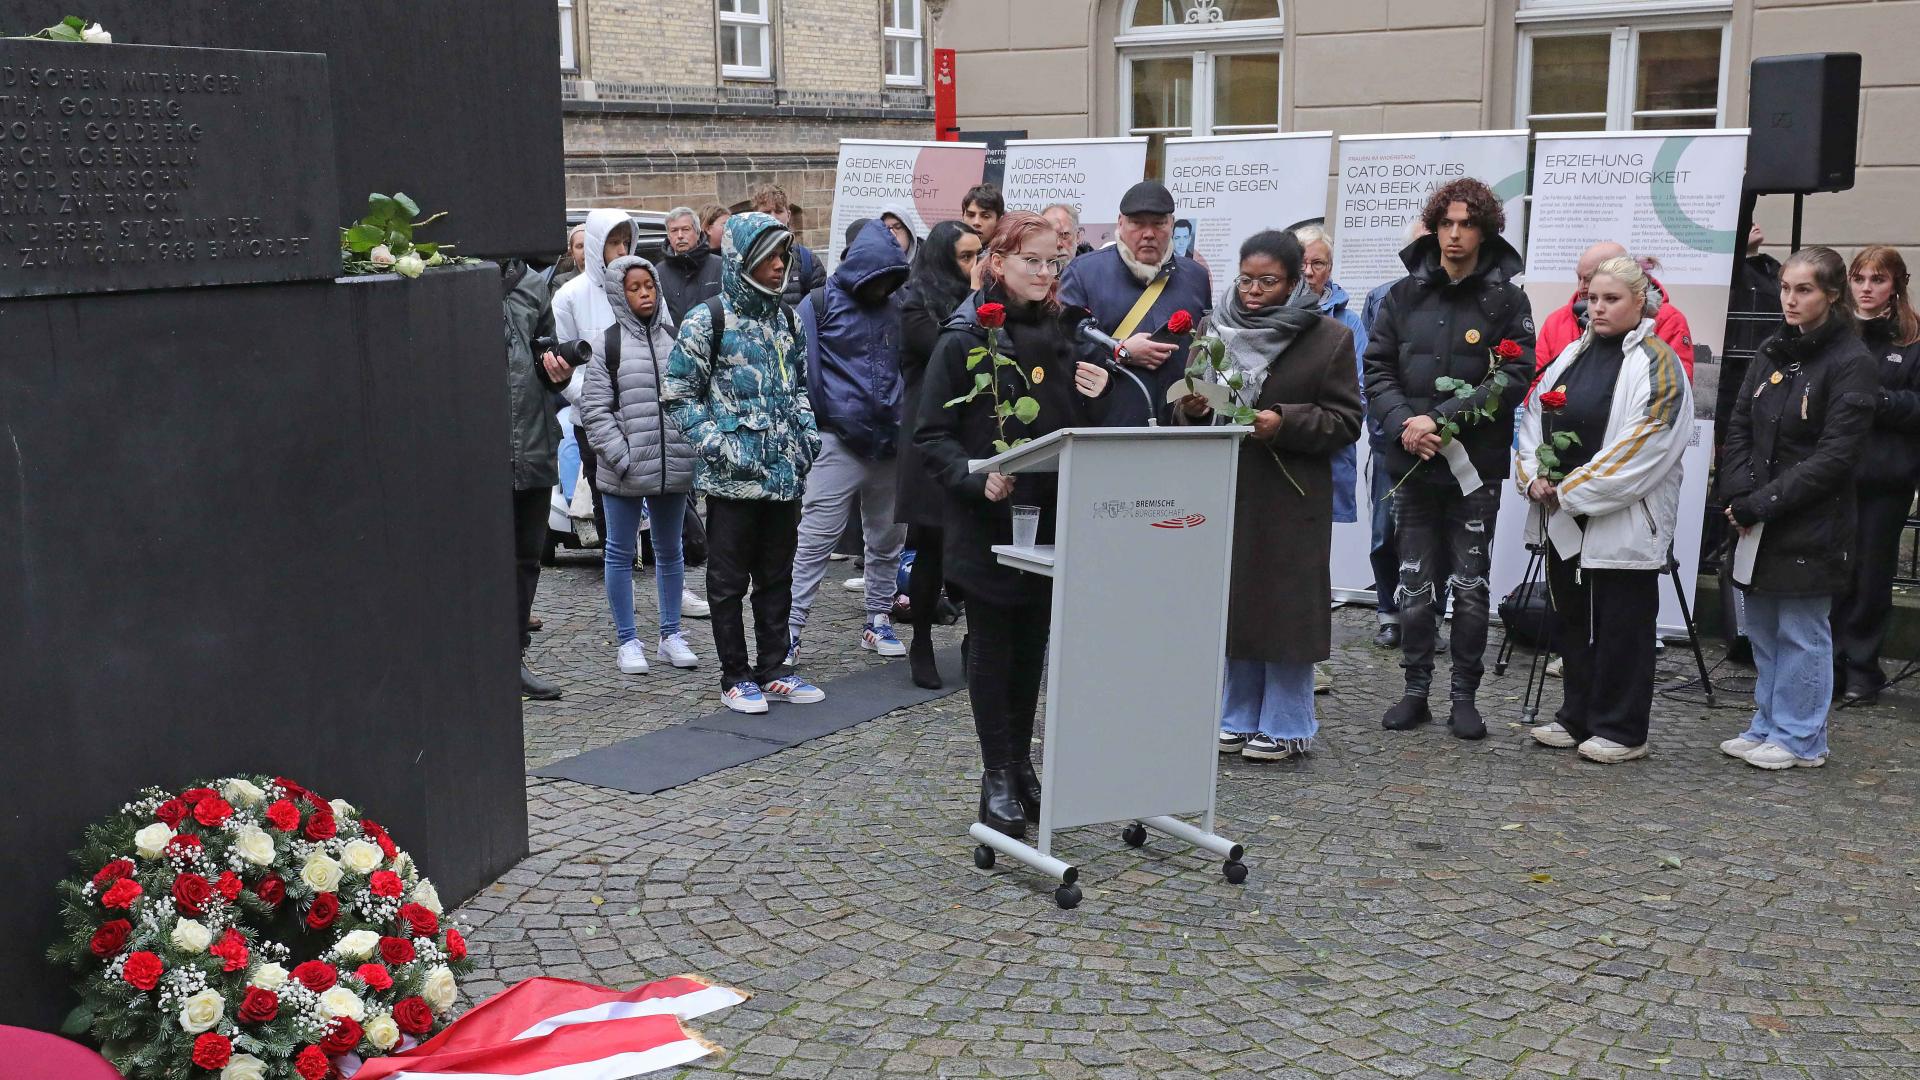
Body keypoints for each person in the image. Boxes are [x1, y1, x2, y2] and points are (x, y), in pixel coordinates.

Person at [915, 211, 1112, 839]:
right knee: (994, 644)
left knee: (1032, 644)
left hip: (1049, 514)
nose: (1045, 272)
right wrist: (975, 474)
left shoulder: (1064, 333)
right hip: (986, 518)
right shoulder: (965, 336)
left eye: (1055, 262)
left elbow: (1069, 424)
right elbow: (930, 436)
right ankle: (997, 774)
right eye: (1033, 260)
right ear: (997, 262)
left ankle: (1020, 766)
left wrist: (1097, 386)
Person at [1174, 231, 1362, 761]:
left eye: (1268, 281)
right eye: (1247, 279)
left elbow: (1347, 420)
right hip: (1228, 487)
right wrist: (1190, 406)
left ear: (1296, 279)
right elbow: (1189, 402)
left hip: (1289, 493)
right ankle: (1235, 714)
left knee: (1283, 609)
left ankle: (1286, 721)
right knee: (1233, 603)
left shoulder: (1328, 338)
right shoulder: (1214, 328)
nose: (1254, 291)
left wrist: (1282, 422)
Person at [1364, 177, 1535, 740]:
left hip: (1473, 469)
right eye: (1446, 224)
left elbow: (1514, 375)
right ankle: (1415, 692)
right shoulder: (1400, 294)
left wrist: (1442, 419)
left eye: (1467, 225)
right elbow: (1378, 369)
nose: (1455, 235)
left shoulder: (1508, 299)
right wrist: (1404, 426)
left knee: (1469, 586)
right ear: (1434, 228)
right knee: (1413, 587)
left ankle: (1465, 696)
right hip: (1411, 462)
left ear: (1484, 231)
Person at [1516, 257, 1692, 764]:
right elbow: (1533, 419)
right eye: (1592, 298)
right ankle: (1577, 715)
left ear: (1641, 302)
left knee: (1623, 624)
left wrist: (1569, 489)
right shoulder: (1570, 353)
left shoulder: (1659, 361)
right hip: (1563, 513)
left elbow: (1647, 444)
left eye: (1611, 299)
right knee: (1572, 619)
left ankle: (1622, 727)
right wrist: (1534, 478)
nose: (1597, 307)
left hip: (1622, 516)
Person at [1717, 246, 1878, 770]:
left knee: (1802, 632)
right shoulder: (1772, 349)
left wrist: (1763, 503)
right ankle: (1767, 722)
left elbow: (1835, 456)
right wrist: (1739, 495)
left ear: (1832, 296)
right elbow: (1740, 424)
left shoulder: (1851, 362)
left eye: (1803, 289)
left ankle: (1801, 737)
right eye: (1786, 287)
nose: (1790, 299)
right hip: (1759, 516)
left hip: (1811, 519)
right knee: (1761, 625)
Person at [664, 211, 827, 715]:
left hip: (783, 479)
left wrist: (806, 437)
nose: (782, 266)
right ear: (745, 260)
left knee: (777, 576)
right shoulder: (707, 319)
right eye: (771, 257)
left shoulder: (786, 320)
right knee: (729, 582)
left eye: (784, 255)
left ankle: (775, 666)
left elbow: (799, 387)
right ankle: (734, 673)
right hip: (733, 483)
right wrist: (720, 445)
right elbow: (678, 396)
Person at [788, 219, 913, 664]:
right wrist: (820, 423)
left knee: (887, 539)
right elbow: (802, 368)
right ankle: (790, 628)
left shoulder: (901, 303)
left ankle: (877, 619)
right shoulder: (819, 303)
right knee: (814, 539)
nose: (882, 287)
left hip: (890, 441)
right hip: (837, 440)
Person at [579, 255, 703, 675]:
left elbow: (692, 394)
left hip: (672, 465)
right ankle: (628, 640)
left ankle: (670, 634)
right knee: (618, 551)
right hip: (626, 469)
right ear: (620, 293)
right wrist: (622, 456)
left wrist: (690, 446)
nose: (644, 293)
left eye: (648, 285)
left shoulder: (676, 337)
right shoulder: (608, 345)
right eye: (633, 287)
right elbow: (595, 410)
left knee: (671, 552)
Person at [1830, 246, 1920, 702]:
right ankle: (1825, 666)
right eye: (1860, 278)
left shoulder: (1912, 339)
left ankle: (1862, 668)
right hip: (1832, 473)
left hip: (1884, 476)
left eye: (1877, 280)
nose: (1866, 288)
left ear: (1896, 285)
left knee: (1869, 574)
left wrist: (1878, 401)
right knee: (1830, 571)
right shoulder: (1836, 330)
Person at [896, 220, 982, 689]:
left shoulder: (985, 302)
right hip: (929, 435)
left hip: (971, 434)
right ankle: (922, 642)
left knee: (974, 542)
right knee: (929, 544)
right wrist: (974, 297)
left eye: (977, 255)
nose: (974, 265)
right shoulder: (915, 302)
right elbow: (950, 351)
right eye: (965, 257)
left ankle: (975, 638)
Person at [1059, 180, 1213, 426]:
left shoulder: (1196, 276)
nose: (1149, 233)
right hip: (1109, 424)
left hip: (1179, 429)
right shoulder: (1084, 272)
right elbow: (1065, 347)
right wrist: (1120, 351)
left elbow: (1204, 350)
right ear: (1120, 222)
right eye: (1137, 223)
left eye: (1159, 223)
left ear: (1172, 224)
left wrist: (1200, 406)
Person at [503, 259, 572, 700]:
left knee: (527, 559)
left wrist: (556, 370)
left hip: (533, 441)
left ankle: (513, 659)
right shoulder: (454, 274)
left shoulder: (531, 283)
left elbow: (543, 358)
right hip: (480, 448)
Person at [1362, 219, 1428, 650]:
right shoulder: (1382, 296)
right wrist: (1393, 424)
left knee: (1433, 536)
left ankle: (1429, 618)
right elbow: (1370, 371)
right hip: (1390, 438)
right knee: (1386, 532)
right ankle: (1389, 612)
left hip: (1444, 439)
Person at [553, 209, 633, 546]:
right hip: (592, 419)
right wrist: (594, 400)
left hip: (639, 412)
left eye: (626, 242)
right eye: (614, 242)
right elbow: (560, 365)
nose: (622, 250)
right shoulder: (569, 296)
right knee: (607, 502)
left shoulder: (641, 284)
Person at [1534, 241, 1695, 379]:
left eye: (1589, 278)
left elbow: (1672, 388)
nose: (1581, 287)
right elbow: (1536, 384)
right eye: (1579, 278)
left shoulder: (1669, 320)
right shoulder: (1556, 321)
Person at [749, 184, 827, 308]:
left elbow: (822, 311)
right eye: (766, 212)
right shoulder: (743, 259)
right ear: (754, 217)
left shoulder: (808, 261)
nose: (773, 217)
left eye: (779, 211)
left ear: (789, 215)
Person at [656, 206, 724, 325]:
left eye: (685, 229)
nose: (680, 235)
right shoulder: (658, 272)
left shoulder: (720, 266)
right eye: (674, 230)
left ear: (697, 233)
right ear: (668, 236)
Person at [546, 223, 585, 288]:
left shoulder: (606, 279)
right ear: (572, 252)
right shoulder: (561, 282)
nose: (585, 250)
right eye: (579, 246)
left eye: (589, 245)